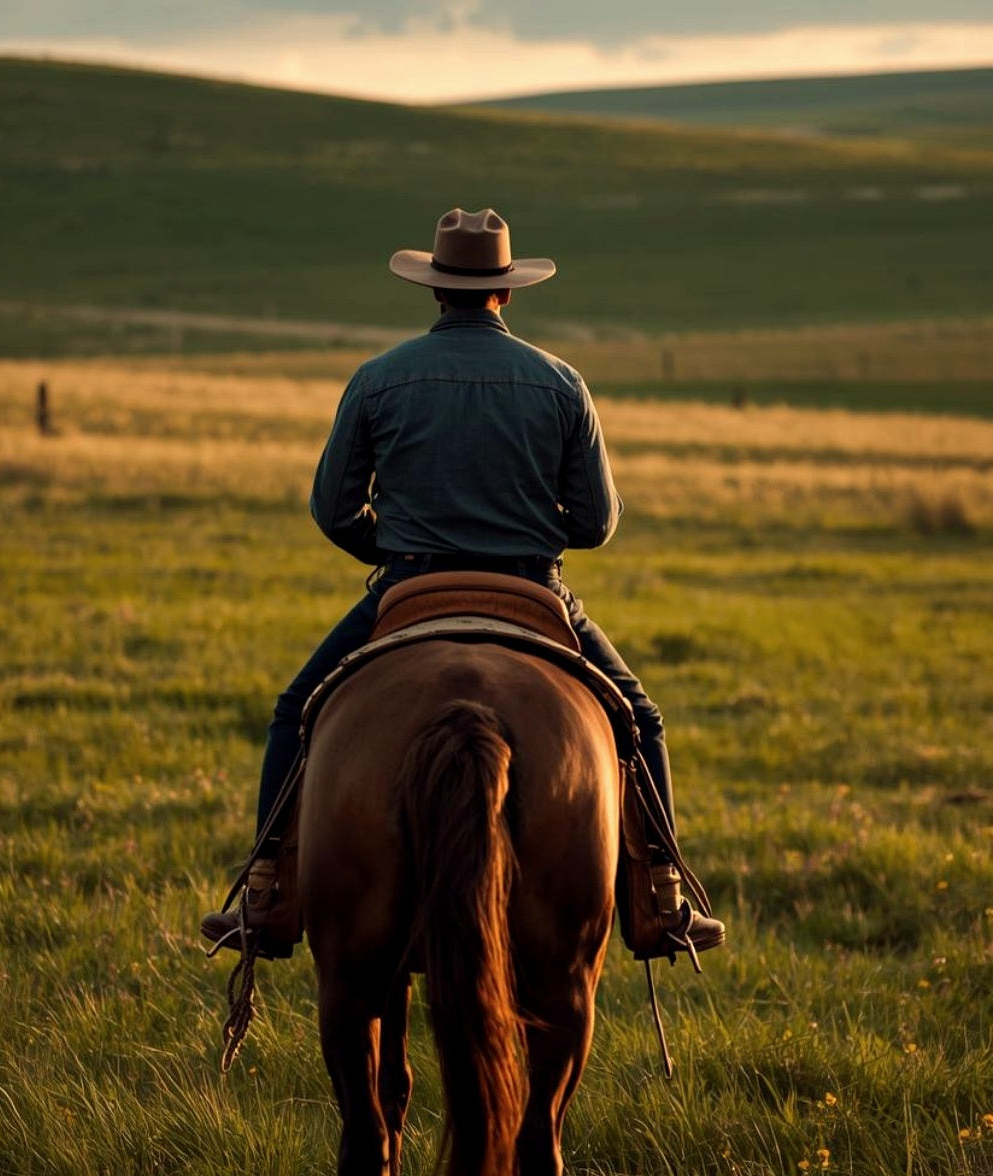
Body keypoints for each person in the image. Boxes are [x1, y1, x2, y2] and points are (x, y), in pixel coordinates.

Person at [202, 207, 723, 959]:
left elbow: (331, 508)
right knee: (640, 721)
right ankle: (661, 900)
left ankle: (265, 894)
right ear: (506, 294)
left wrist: (388, 545)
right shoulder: (561, 383)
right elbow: (599, 520)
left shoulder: (378, 378)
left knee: (297, 711)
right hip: (533, 588)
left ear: (436, 292)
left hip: (411, 582)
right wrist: (536, 532)